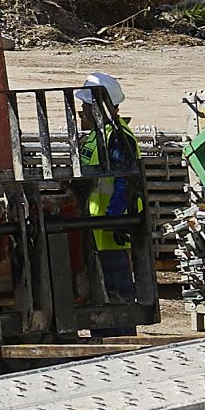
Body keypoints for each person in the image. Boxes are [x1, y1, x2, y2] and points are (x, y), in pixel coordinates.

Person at [75, 72, 142, 318]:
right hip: (93, 225)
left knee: (116, 291)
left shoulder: (117, 138)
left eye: (85, 106)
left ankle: (121, 334)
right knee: (99, 292)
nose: (81, 111)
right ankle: (106, 332)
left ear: (99, 107)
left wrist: (113, 218)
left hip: (108, 229)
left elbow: (124, 181)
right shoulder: (97, 137)